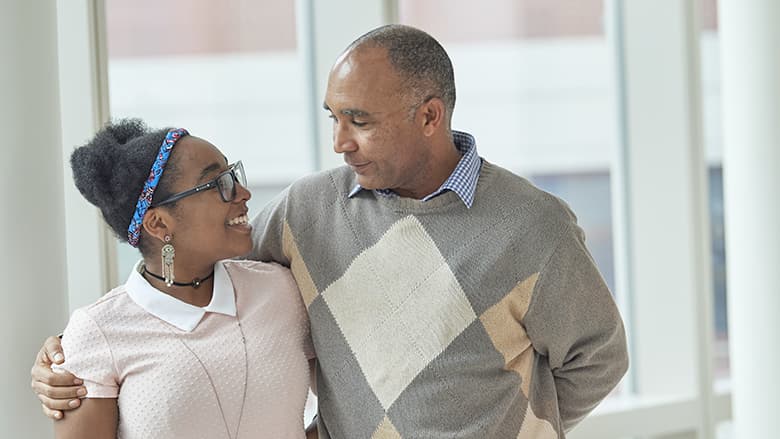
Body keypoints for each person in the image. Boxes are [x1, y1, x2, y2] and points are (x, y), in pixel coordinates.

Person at [33, 25, 627, 438]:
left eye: (359, 121)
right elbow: (186, 265)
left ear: (429, 116)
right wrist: (73, 353)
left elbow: (597, 360)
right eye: (334, 117)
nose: (340, 141)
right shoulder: (307, 210)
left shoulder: (533, 224)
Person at [42, 119, 315, 438]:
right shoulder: (97, 332)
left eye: (233, 175)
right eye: (218, 184)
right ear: (158, 224)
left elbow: (344, 405)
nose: (243, 193)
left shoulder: (281, 290)